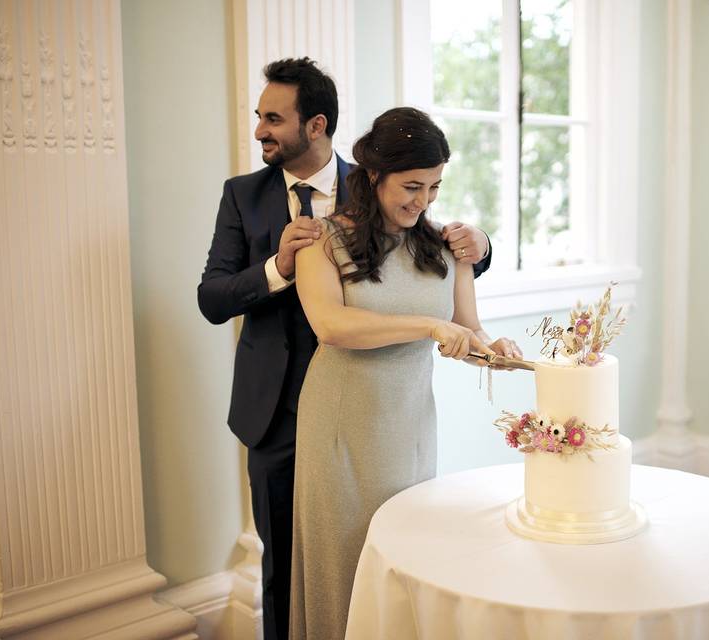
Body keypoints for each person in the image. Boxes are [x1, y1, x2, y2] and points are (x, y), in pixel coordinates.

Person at [197, 58, 494, 640]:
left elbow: (445, 275)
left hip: (395, 412)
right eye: (260, 116)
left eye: (273, 118)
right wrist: (279, 265)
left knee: (390, 561)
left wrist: (480, 249)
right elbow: (212, 297)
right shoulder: (244, 197)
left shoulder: (388, 183)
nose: (260, 129)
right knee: (293, 564)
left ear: (316, 125)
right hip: (285, 405)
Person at [290, 106, 522, 640]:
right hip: (340, 428)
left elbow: (468, 332)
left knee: (405, 558)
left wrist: (496, 351)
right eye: (412, 186)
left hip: (410, 425)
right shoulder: (319, 240)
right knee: (343, 562)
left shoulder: (447, 246)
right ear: (373, 178)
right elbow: (331, 326)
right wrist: (427, 325)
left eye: (435, 187)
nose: (423, 202)